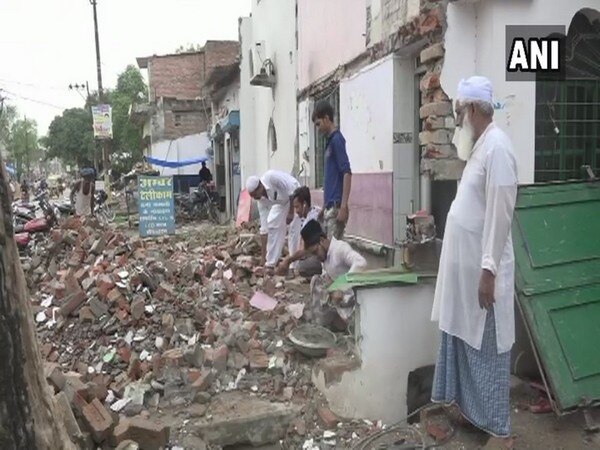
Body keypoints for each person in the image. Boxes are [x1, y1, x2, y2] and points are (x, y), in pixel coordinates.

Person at [430, 76, 518, 449]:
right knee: (466, 348)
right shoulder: (479, 148)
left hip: (483, 277)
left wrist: (487, 272)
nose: (455, 119)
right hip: (466, 277)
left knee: (487, 354)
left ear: (472, 110)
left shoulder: (497, 148)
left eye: (457, 111)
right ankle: (473, 415)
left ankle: (501, 433)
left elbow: (500, 216)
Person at [301, 220, 367, 331]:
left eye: (315, 252)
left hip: (353, 299)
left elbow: (361, 263)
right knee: (316, 281)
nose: (316, 256)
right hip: (338, 300)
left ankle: (346, 325)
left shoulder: (340, 249)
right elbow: (328, 275)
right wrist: (330, 282)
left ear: (321, 241)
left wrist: (341, 287)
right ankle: (322, 324)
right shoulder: (325, 256)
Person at [246, 170, 301, 271]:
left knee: (294, 228)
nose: (255, 198)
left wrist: (291, 212)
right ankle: (271, 263)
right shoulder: (260, 200)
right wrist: (262, 257)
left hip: (295, 195)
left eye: (255, 195)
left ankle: (293, 266)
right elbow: (264, 228)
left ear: (260, 187)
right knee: (272, 224)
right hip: (281, 202)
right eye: (252, 197)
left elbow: (292, 189)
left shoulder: (271, 177)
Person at [312, 100, 352, 239]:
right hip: (330, 207)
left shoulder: (337, 140)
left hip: (336, 207)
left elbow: (347, 173)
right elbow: (331, 178)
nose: (318, 128)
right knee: (331, 252)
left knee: (332, 253)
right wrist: (324, 207)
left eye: (318, 124)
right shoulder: (329, 142)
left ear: (327, 118)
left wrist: (343, 206)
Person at [276, 186, 323, 277]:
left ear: (304, 204)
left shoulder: (310, 221)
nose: (296, 211)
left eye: (297, 207)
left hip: (322, 256)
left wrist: (288, 260)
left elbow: (303, 250)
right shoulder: (314, 211)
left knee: (302, 267)